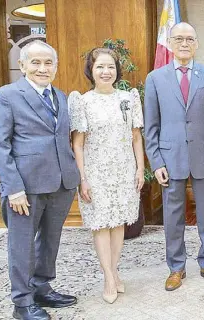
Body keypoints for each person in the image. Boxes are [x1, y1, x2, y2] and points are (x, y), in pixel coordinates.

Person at [0, 40, 80, 320]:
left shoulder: (61, 96)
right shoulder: (6, 95)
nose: (43, 68)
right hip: (25, 187)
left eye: (48, 62)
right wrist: (13, 188)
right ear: (23, 65)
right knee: (22, 244)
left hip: (61, 182)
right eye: (36, 62)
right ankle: (22, 302)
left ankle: (42, 286)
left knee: (50, 240)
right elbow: (1, 144)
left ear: (55, 66)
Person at [144, 22, 204, 291]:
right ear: (170, 42)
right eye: (178, 38)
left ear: (197, 43)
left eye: (190, 39)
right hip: (170, 158)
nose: (184, 43)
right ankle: (176, 267)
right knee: (173, 215)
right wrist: (156, 162)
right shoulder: (155, 78)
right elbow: (151, 126)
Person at [69, 48, 144, 304]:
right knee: (101, 224)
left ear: (117, 70)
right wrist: (83, 178)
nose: (105, 71)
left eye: (110, 66)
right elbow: (78, 143)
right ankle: (109, 278)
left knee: (118, 223)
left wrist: (138, 168)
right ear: (91, 70)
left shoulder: (129, 98)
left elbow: (136, 137)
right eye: (100, 66)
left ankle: (113, 270)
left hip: (123, 169)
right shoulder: (82, 101)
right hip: (95, 171)